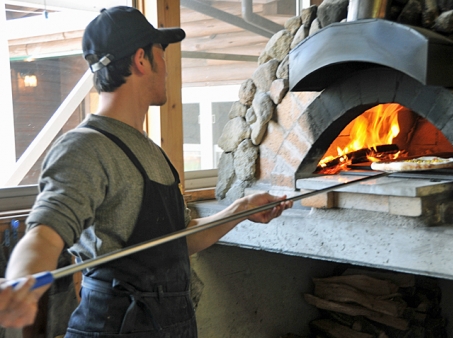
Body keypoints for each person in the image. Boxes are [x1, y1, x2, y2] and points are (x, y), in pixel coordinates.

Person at [0, 6, 292, 337]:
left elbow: (178, 240)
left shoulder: (150, 150)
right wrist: (22, 283)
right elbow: (44, 233)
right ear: (141, 59)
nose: (166, 66)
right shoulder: (85, 147)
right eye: (161, 53)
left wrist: (239, 210)